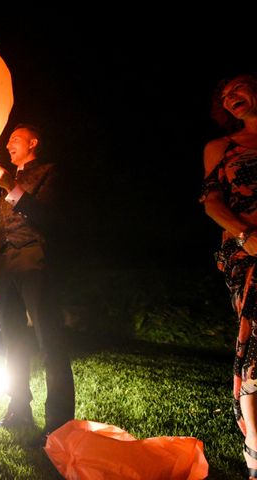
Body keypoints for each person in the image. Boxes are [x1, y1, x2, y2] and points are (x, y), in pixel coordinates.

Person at [0, 123, 75, 438]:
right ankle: (18, 411)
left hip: (34, 259)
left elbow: (46, 216)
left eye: (16, 139)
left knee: (49, 340)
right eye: (9, 141)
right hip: (4, 264)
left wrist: (9, 186)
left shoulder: (49, 172)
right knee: (12, 341)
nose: (9, 144)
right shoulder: (2, 182)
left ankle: (59, 422)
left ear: (34, 141)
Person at [200, 73, 257, 479]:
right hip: (248, 252)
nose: (230, 97)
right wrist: (247, 235)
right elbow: (211, 202)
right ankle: (256, 442)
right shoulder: (221, 148)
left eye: (238, 88)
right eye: (224, 96)